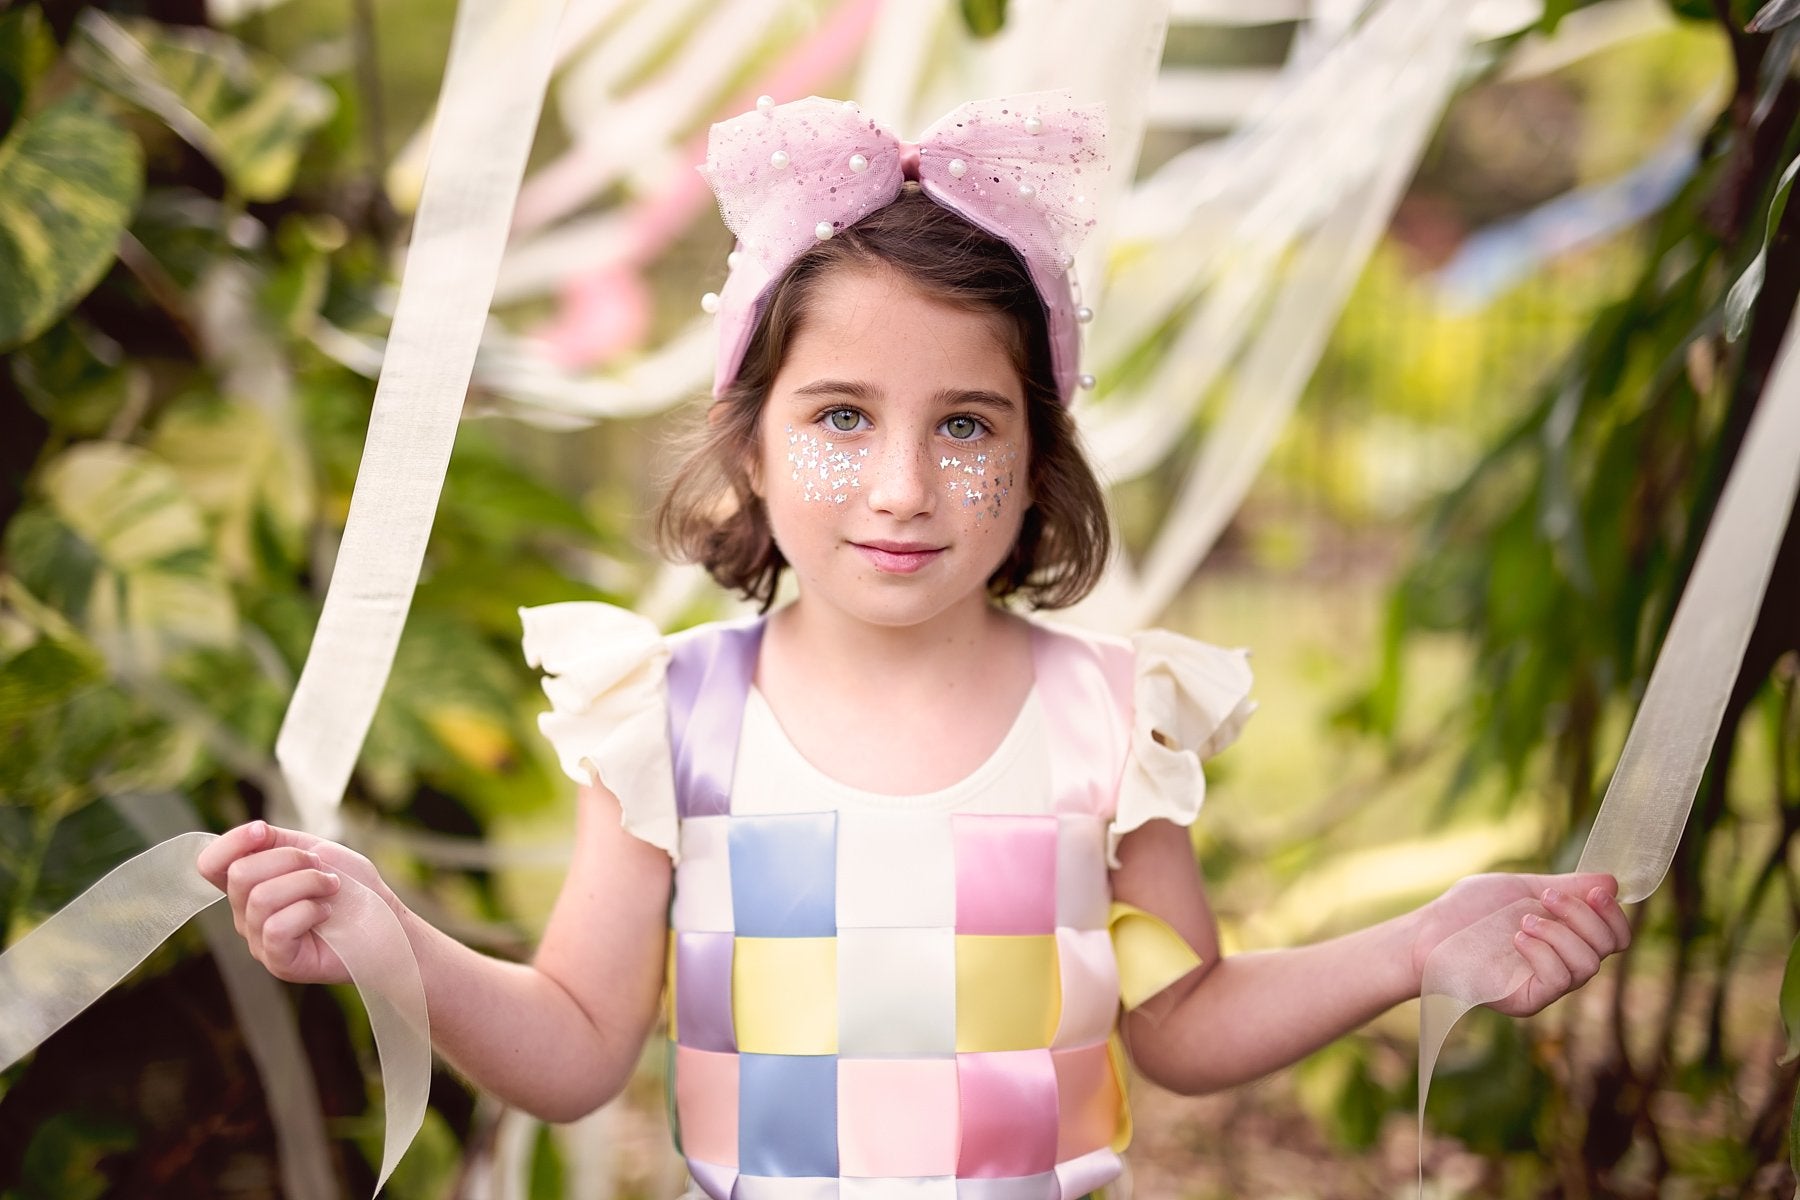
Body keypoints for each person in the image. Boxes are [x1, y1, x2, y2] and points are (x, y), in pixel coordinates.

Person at [196, 92, 1631, 1197]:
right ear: (747, 447)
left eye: (965, 422)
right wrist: (395, 942)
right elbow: (575, 1046)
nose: (902, 484)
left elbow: (1182, 1024)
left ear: (1032, 459)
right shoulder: (672, 717)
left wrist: (1419, 947)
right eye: (839, 417)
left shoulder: (1110, 717)